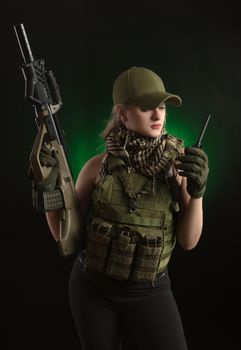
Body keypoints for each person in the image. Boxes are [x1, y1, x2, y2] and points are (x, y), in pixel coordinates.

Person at [37, 66, 209, 350]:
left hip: (150, 291)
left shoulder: (177, 166)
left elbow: (188, 241)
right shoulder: (98, 166)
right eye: (146, 107)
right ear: (122, 114)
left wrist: (197, 192)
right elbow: (63, 234)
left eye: (162, 107)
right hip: (93, 288)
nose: (157, 116)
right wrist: (48, 188)